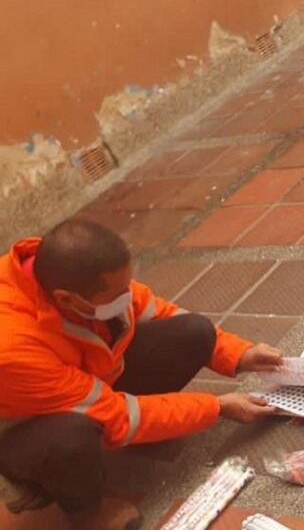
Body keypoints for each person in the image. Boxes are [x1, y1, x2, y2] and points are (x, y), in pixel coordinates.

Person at [0, 219, 284, 529]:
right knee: (70, 440)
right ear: (66, 298)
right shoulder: (12, 345)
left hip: (90, 385)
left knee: (195, 332)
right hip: (24, 429)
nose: (128, 295)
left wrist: (239, 354)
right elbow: (117, 415)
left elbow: (159, 311)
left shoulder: (76, 272)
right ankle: (86, 513)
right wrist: (217, 407)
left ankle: (151, 427)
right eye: (118, 293)